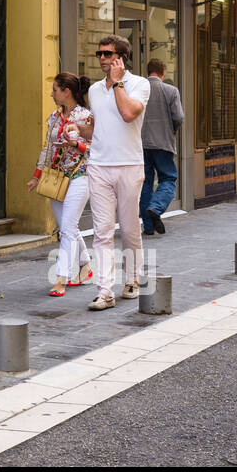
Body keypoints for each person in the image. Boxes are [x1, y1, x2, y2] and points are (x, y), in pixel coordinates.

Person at [85, 35, 151, 311]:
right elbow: (98, 127)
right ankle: (104, 291)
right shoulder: (94, 91)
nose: (101, 58)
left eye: (107, 53)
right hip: (98, 165)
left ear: (121, 58)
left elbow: (127, 114)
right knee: (101, 232)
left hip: (129, 165)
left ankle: (132, 278)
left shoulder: (140, 85)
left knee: (128, 227)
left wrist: (117, 83)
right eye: (99, 53)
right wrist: (78, 130)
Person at [27, 72, 95, 296]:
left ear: (66, 92)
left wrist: (76, 145)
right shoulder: (54, 118)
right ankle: (85, 263)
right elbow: (47, 149)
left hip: (80, 175)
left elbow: (96, 149)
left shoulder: (86, 117)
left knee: (66, 229)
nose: (51, 94)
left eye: (55, 90)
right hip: (55, 178)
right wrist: (37, 176)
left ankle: (61, 278)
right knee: (69, 227)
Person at [140, 58, 184, 235]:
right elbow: (179, 117)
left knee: (145, 183)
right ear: (163, 72)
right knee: (168, 178)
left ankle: (148, 227)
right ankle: (156, 208)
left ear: (148, 71)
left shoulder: (139, 91)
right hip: (163, 143)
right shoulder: (171, 91)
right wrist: (171, 131)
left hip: (141, 144)